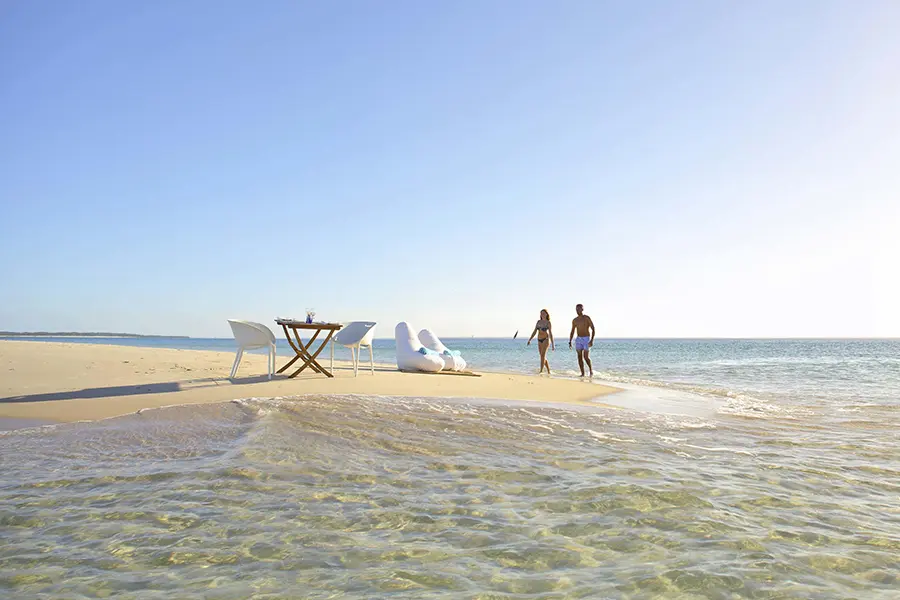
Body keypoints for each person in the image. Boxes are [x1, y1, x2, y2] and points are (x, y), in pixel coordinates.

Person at [568, 303, 595, 377]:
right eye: (576, 309)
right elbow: (572, 331)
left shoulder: (586, 318)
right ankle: (582, 373)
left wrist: (592, 340)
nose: (578, 310)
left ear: (582, 309)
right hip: (578, 339)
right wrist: (570, 341)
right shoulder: (575, 320)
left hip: (586, 338)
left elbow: (593, 328)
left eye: (579, 309)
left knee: (586, 357)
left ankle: (590, 370)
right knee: (579, 357)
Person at [526, 309, 555, 374]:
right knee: (542, 356)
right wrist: (530, 339)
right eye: (541, 313)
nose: (542, 314)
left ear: (546, 314)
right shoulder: (538, 322)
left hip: (546, 339)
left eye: (543, 313)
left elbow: (550, 333)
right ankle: (548, 371)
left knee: (542, 355)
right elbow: (534, 331)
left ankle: (541, 371)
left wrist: (553, 344)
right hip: (539, 340)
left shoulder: (548, 322)